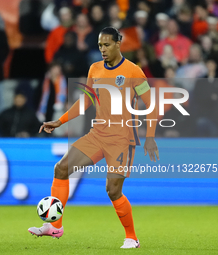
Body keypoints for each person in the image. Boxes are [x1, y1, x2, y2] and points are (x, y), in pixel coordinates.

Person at [28, 27, 159, 249]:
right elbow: (86, 101)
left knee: (113, 190)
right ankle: (55, 226)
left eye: (107, 45)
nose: (102, 49)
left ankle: (132, 238)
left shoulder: (133, 71)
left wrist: (150, 137)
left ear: (118, 43)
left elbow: (152, 104)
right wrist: (59, 121)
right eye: (99, 45)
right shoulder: (95, 69)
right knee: (61, 169)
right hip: (97, 134)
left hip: (122, 139)